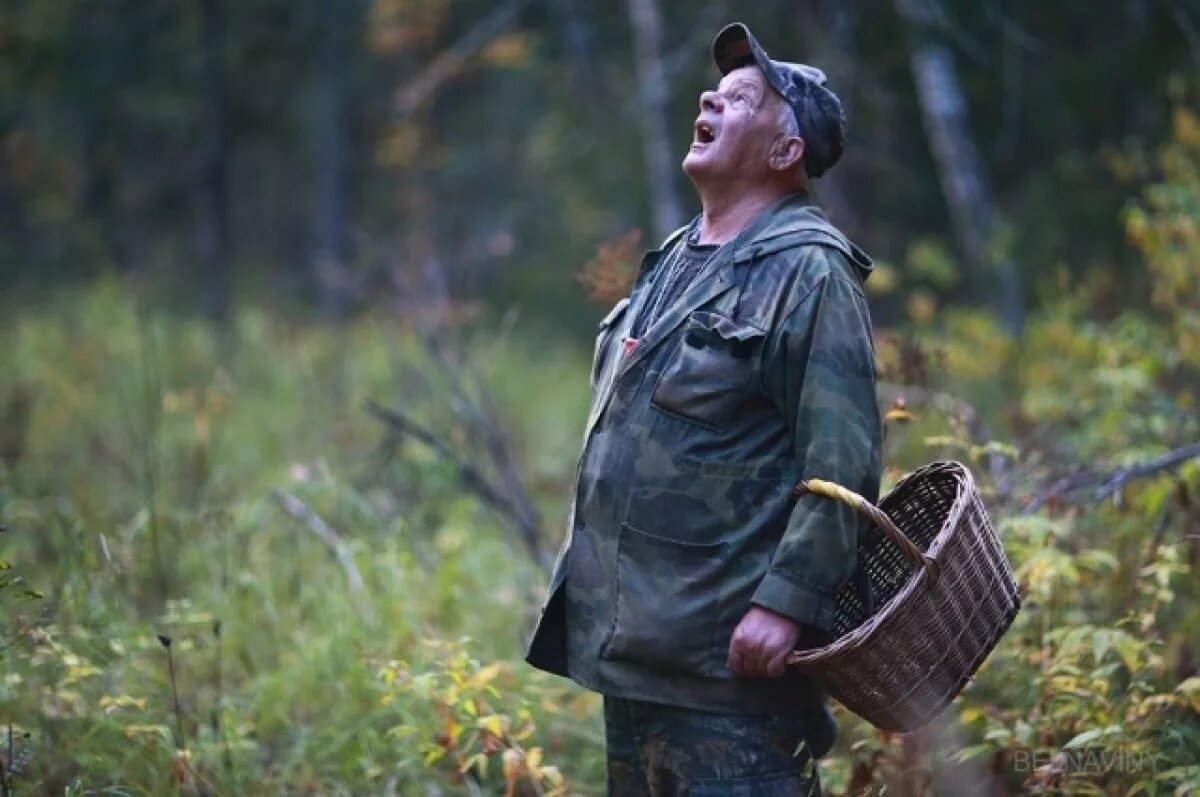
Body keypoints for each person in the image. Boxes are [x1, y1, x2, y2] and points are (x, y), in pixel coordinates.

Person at [525, 21, 882, 796]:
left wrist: (786, 604)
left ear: (786, 152)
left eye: (741, 98)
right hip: (634, 657)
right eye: (714, 91)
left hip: (728, 675)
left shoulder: (810, 274)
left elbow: (844, 468)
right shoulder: (676, 259)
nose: (709, 99)